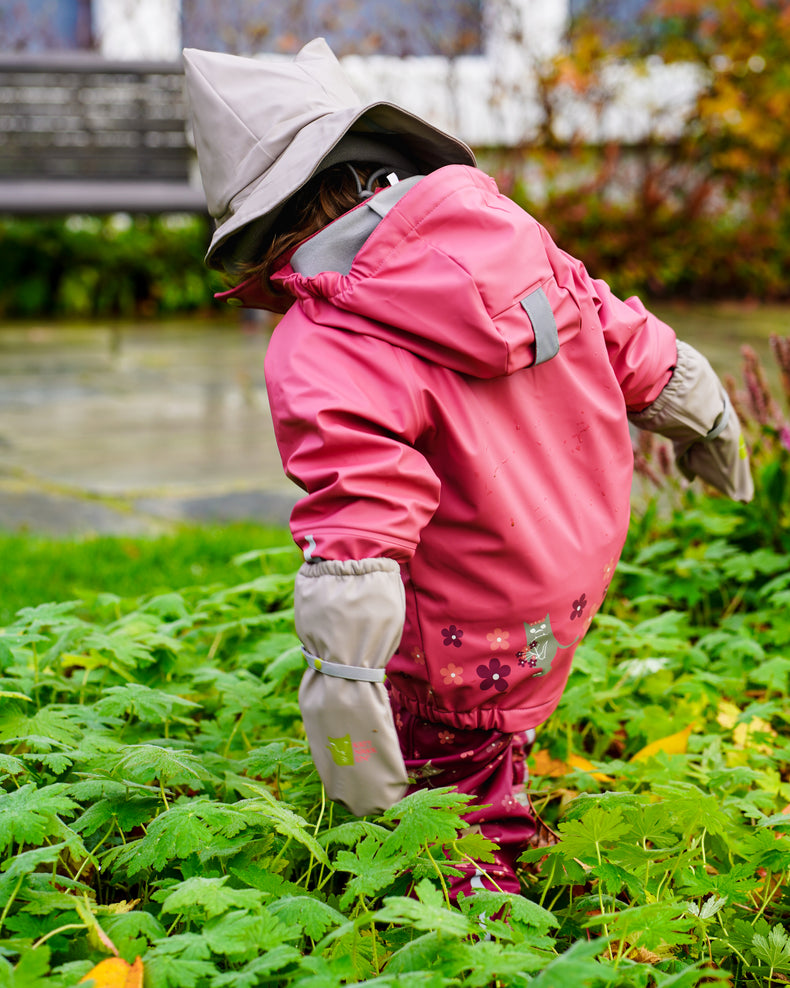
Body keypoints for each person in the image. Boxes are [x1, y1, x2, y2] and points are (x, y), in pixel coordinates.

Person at [182, 39, 754, 900]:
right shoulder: (506, 233)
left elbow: (362, 520)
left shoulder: (326, 338)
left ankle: (485, 914)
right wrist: (702, 407)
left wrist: (345, 687)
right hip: (566, 580)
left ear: (265, 228)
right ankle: (503, 773)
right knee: (499, 717)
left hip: (458, 640)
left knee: (447, 807)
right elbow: (615, 326)